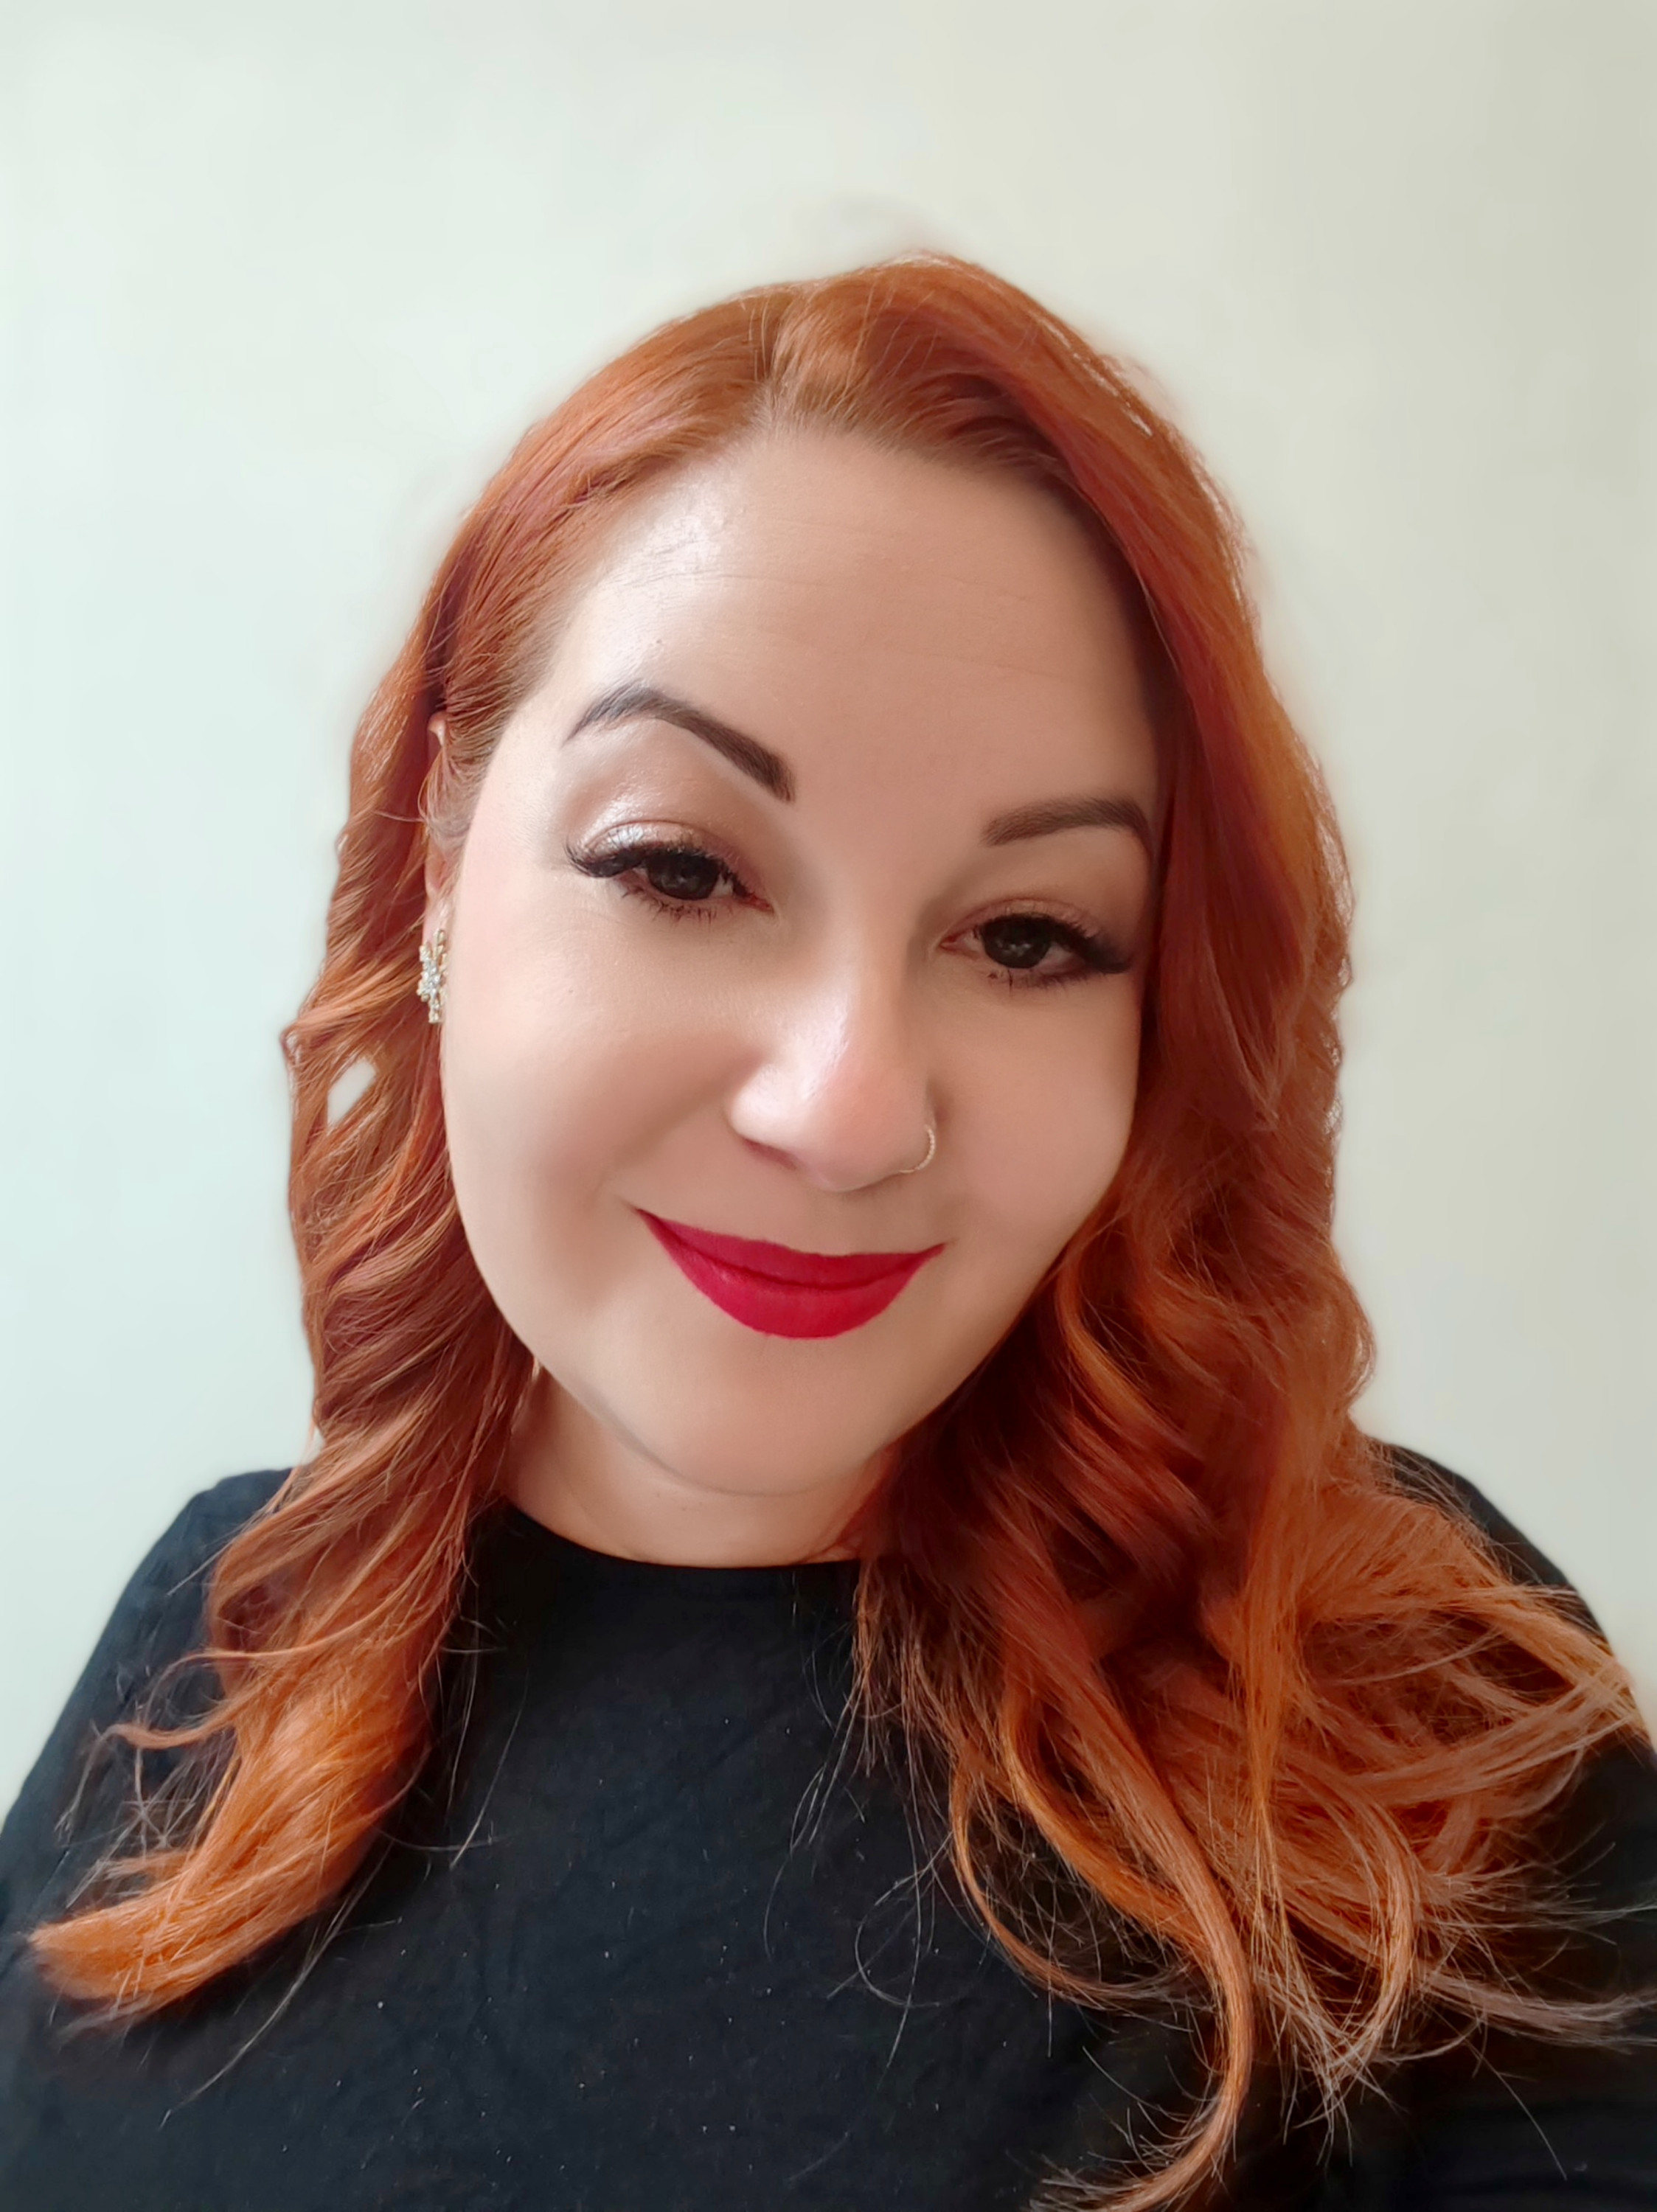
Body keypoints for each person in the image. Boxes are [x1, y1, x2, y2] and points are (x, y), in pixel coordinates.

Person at [0, 254, 1652, 2212]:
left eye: (1027, 935)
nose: (849, 1109)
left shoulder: (1406, 1703)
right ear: (443, 855)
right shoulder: (220, 1634)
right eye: (680, 868)